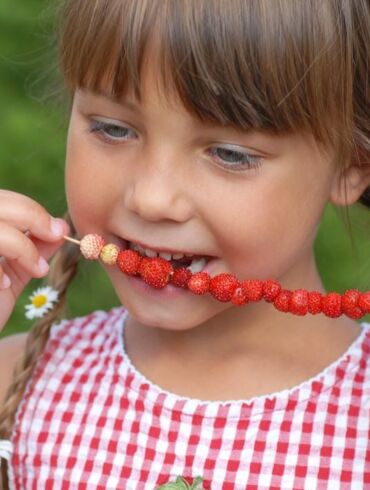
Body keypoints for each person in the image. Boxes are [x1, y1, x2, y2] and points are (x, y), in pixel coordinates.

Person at [0, 0, 369, 488]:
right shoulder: (17, 383)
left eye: (231, 154)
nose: (152, 199)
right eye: (113, 128)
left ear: (350, 166)